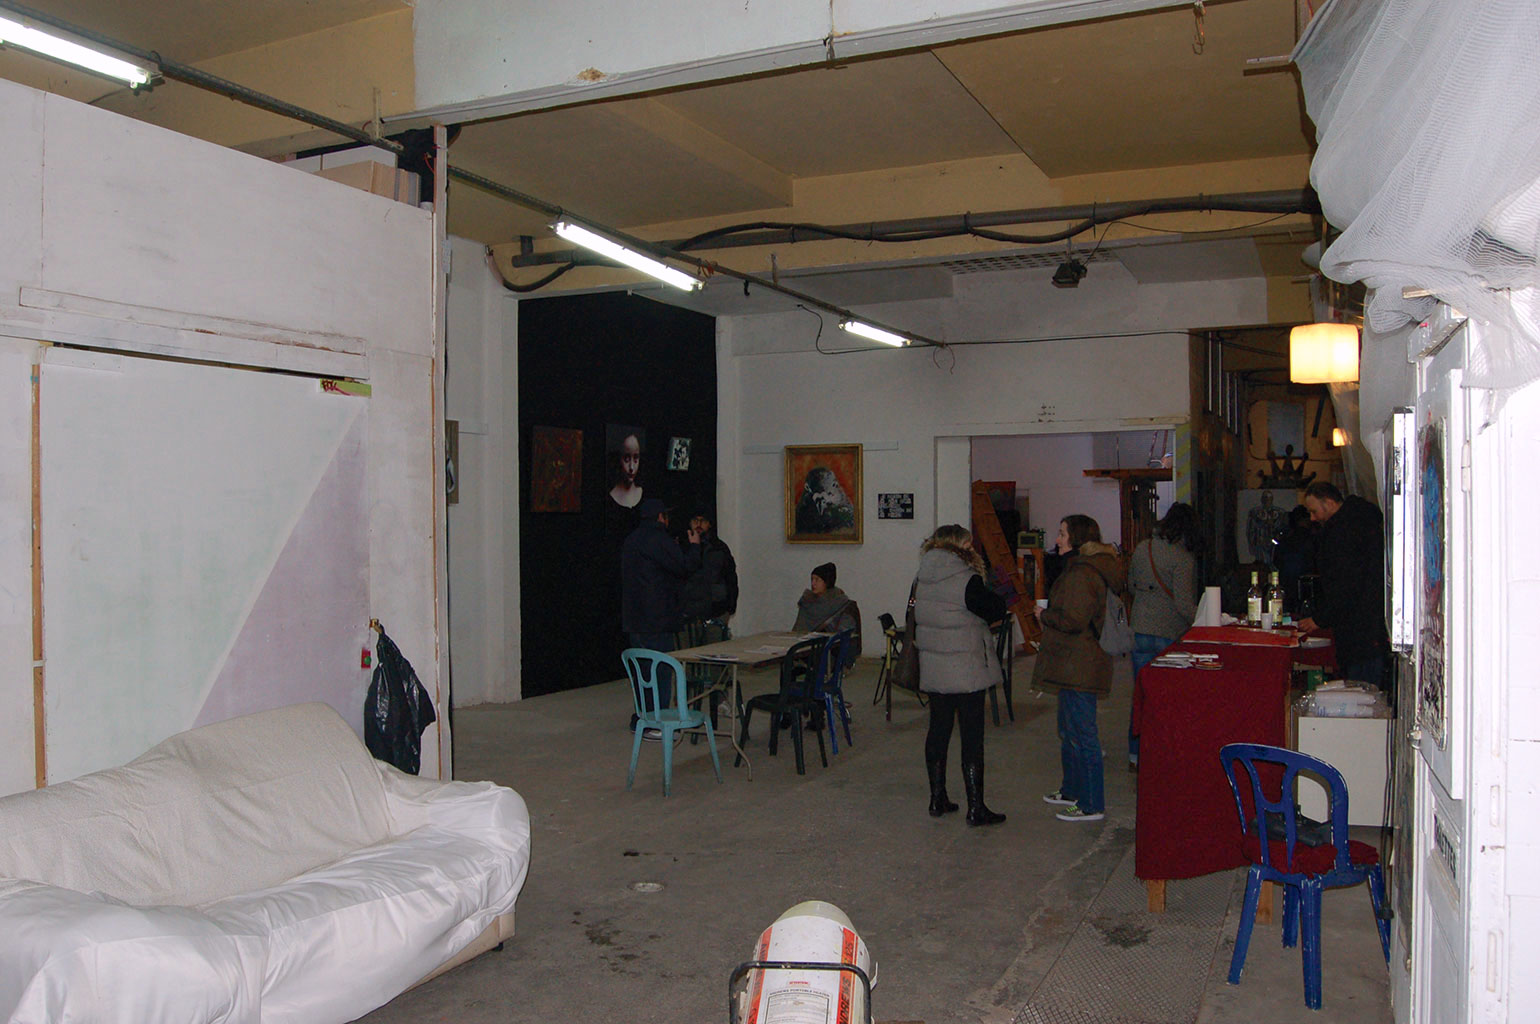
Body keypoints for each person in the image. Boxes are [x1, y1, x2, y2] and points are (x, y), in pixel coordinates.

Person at [911, 524, 1009, 826]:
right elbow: (994, 609)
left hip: (935, 666)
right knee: (972, 736)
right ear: (957, 547)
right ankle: (976, 807)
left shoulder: (922, 577)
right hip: (966, 668)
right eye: (968, 545)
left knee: (938, 730)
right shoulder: (966, 579)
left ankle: (937, 798)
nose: (972, 549)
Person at [1031, 514, 1126, 823]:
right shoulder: (1084, 568)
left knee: (1083, 736)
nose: (1057, 540)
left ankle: (1091, 804)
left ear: (1077, 538)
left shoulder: (1082, 573)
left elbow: (1073, 619)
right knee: (1068, 730)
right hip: (1074, 662)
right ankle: (1072, 790)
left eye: (1062, 534)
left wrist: (1044, 616)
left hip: (1080, 664)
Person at [1126, 502, 1199, 770]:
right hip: (1169, 632)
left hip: (1140, 628)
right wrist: (1205, 620)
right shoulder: (1183, 558)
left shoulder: (1142, 548)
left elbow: (1131, 586)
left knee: (1141, 696)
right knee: (1168, 700)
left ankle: (1135, 754)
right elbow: (1183, 604)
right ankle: (1163, 754)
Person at [1296, 481, 1390, 691]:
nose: (1312, 518)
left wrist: (1321, 618)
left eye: (1314, 511)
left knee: (1361, 688)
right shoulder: (1361, 521)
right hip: (1368, 623)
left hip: (1359, 628)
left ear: (1329, 503)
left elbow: (1345, 584)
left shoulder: (1343, 533)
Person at [621, 498, 701, 732]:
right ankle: (657, 721)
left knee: (642, 672)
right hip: (658, 617)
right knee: (661, 671)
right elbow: (684, 567)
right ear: (660, 517)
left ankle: (642, 716)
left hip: (634, 617)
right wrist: (694, 546)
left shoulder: (631, 540)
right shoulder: (659, 540)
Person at [792, 562, 861, 658]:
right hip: (805, 650)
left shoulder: (841, 604)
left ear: (827, 582)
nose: (813, 583)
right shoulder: (807, 602)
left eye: (817, 580)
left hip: (831, 654)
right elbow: (798, 630)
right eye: (812, 579)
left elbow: (844, 635)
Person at [1271, 504, 1317, 614]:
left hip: (1286, 585)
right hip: (1307, 587)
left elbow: (1276, 560)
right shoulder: (1312, 538)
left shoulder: (1285, 538)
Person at [608, 432, 643, 508]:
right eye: (626, 459)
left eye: (636, 459)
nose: (631, 467)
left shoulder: (644, 494)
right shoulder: (610, 498)